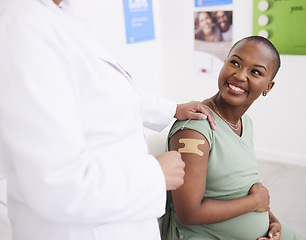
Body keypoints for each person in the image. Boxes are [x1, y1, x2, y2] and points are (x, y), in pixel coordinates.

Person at [0, 1, 216, 240]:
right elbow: (55, 183)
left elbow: (104, 97)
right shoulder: (26, 27)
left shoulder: (61, 19)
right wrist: (155, 174)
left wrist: (172, 108)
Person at [162, 36, 306, 240]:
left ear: (268, 87)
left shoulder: (245, 122)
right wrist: (255, 203)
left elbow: (240, 186)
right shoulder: (194, 130)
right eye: (235, 63)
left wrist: (271, 219)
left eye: (255, 72)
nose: (240, 75)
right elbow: (188, 213)